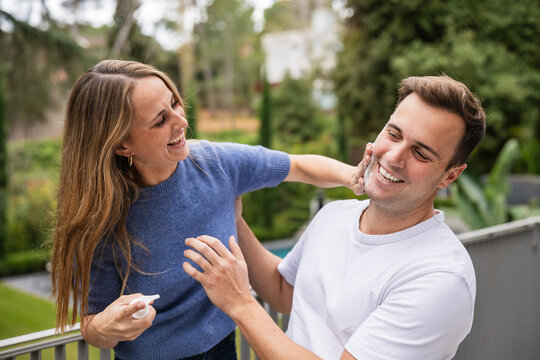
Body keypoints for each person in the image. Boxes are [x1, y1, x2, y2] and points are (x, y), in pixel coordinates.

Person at [50, 59, 365, 360]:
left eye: (175, 103)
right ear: (122, 145)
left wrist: (353, 177)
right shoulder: (103, 216)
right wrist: (107, 326)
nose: (182, 121)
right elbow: (92, 327)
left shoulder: (214, 164)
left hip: (225, 352)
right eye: (160, 120)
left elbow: (299, 166)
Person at [184, 75, 486, 360]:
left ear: (450, 175)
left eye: (421, 153)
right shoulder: (335, 216)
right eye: (393, 134)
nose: (394, 157)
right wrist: (233, 218)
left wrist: (240, 304)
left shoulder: (440, 278)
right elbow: (282, 292)